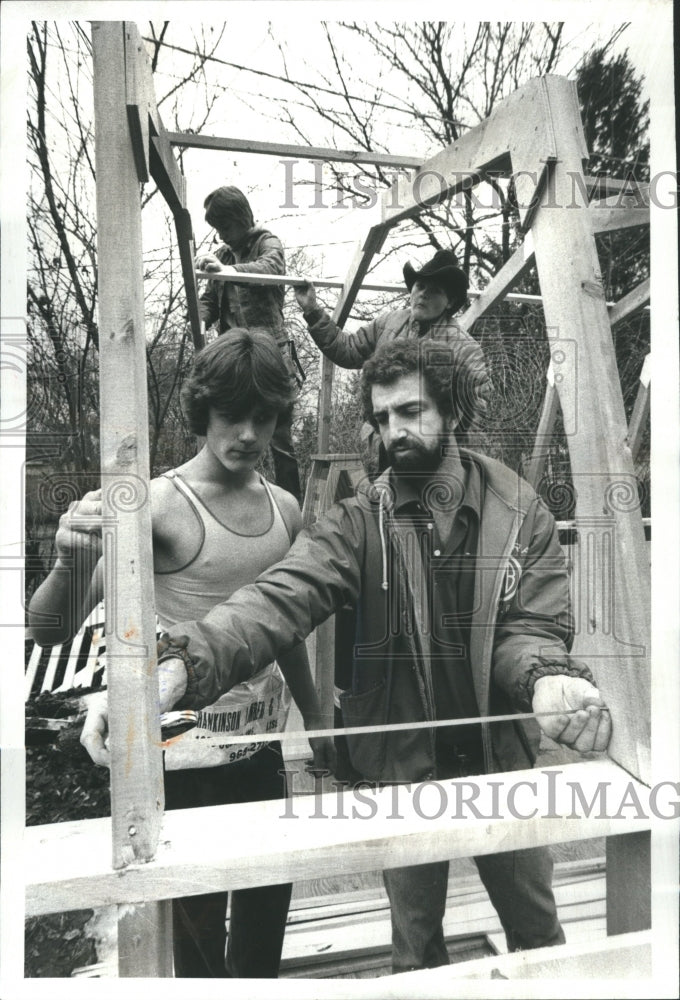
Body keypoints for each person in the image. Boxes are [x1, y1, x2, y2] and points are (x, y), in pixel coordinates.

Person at [82, 337, 611, 973]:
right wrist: (173, 669)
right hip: (405, 769)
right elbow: (277, 600)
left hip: (502, 760)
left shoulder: (520, 511)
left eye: (411, 412)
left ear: (452, 412)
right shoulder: (359, 521)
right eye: (384, 418)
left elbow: (527, 626)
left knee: (537, 929)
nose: (396, 432)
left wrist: (546, 679)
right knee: (416, 947)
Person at [28, 329, 335, 979]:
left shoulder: (284, 510)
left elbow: (284, 631)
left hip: (260, 761)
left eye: (264, 416)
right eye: (231, 415)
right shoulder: (160, 505)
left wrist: (319, 718)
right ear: (203, 412)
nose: (248, 433)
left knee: (258, 952)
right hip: (182, 768)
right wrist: (66, 563)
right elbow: (49, 629)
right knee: (198, 963)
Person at [295, 247, 491, 472]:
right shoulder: (389, 322)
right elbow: (347, 350)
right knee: (383, 501)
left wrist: (464, 467)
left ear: (449, 302)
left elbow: (475, 414)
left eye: (434, 290)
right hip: (385, 444)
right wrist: (312, 310)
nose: (423, 294)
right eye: (420, 286)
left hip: (432, 454)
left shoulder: (464, 348)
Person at [196, 185, 303, 502]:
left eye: (225, 227)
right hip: (233, 357)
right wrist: (200, 323)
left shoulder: (266, 242)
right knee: (229, 430)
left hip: (270, 353)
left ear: (242, 218)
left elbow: (272, 269)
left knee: (279, 438)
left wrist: (228, 271)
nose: (223, 236)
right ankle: (229, 501)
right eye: (217, 231)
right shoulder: (222, 255)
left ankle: (290, 507)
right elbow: (209, 302)